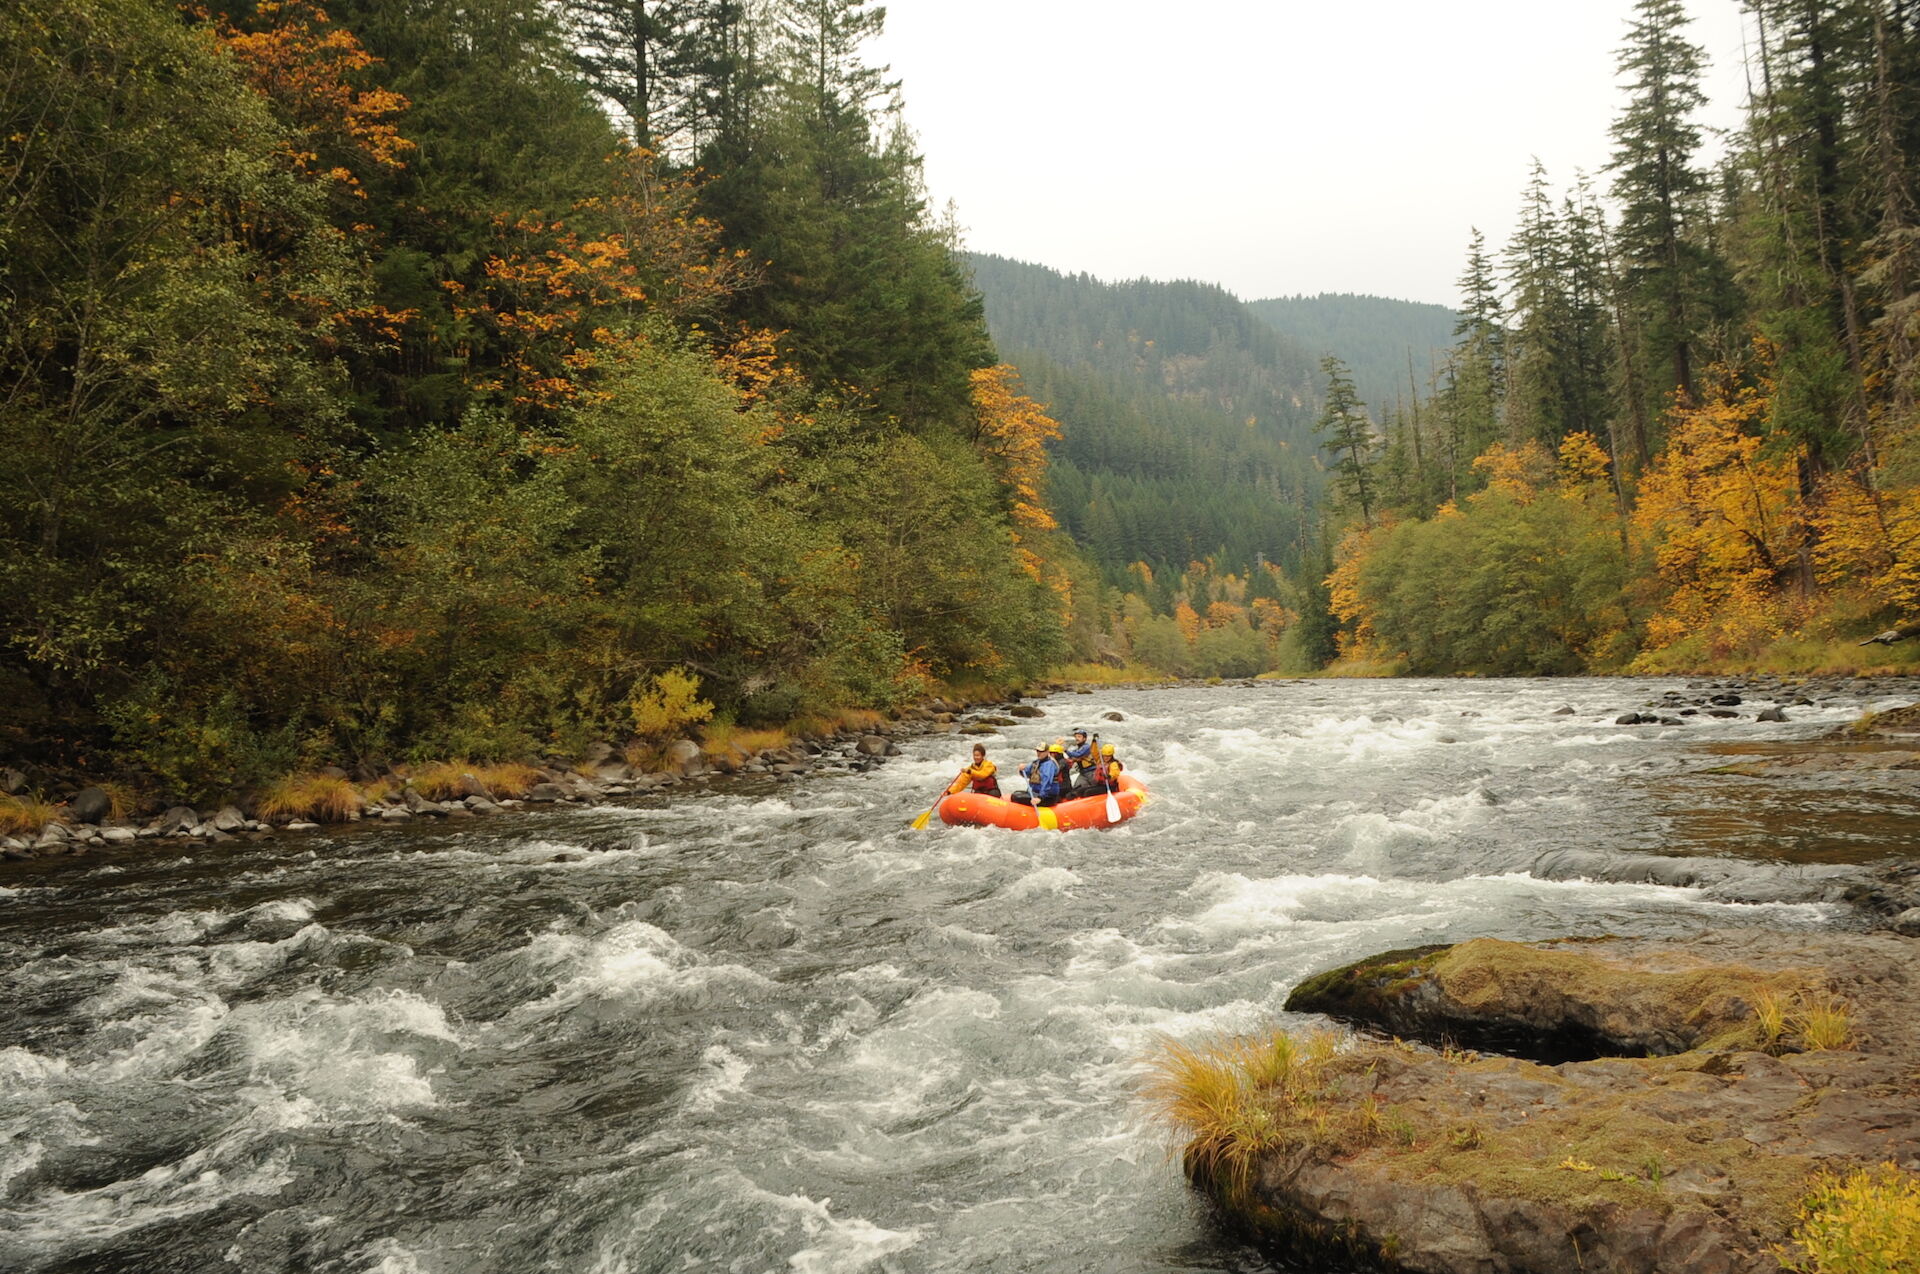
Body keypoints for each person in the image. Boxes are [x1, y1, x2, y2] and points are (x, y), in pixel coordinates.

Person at [1012, 742, 1065, 806]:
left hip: (1047, 797)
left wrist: (1040, 798)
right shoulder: (1037, 762)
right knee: (1015, 794)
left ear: (1047, 752)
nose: (1039, 753)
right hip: (1035, 792)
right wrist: (1021, 769)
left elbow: (1047, 782)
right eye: (1037, 751)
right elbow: (1027, 774)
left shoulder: (1049, 765)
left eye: (1041, 751)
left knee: (1017, 797)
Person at [1063, 728, 1097, 794]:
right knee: (1077, 787)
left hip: (1091, 773)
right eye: (1076, 737)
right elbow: (1072, 756)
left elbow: (1078, 755)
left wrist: (1065, 750)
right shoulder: (1078, 749)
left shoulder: (1086, 747)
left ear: (1084, 739)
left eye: (1079, 737)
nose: (1077, 738)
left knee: (1095, 787)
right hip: (1082, 773)